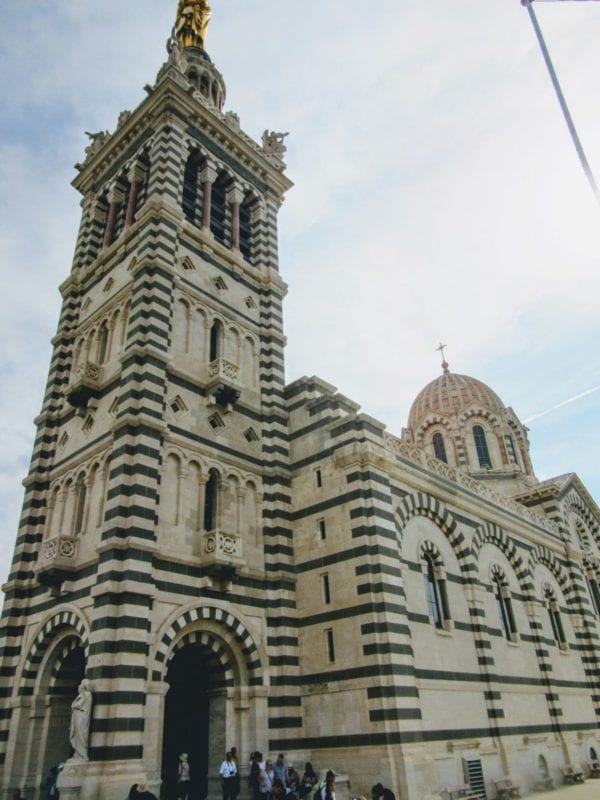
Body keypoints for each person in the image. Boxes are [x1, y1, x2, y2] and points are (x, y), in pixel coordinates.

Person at [69, 679, 93, 761]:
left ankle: (82, 754)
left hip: (82, 718)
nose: (79, 686)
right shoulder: (81, 695)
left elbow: (77, 705)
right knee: (76, 735)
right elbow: (73, 705)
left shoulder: (87, 694)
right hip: (77, 716)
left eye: (80, 684)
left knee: (81, 735)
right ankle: (77, 754)